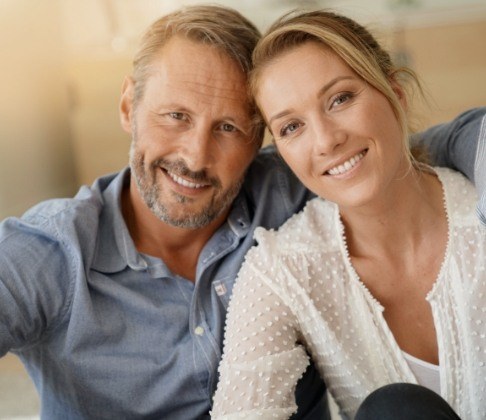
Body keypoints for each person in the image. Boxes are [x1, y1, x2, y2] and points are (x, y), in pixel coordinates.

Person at [0, 5, 481, 420]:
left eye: (228, 127)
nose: (194, 155)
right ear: (129, 105)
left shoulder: (298, 175)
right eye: (176, 116)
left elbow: (414, 147)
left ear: (259, 140)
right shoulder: (51, 255)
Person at [211, 9, 485, 420]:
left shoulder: (478, 220)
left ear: (396, 93)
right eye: (291, 127)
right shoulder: (283, 269)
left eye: (340, 99)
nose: (326, 141)